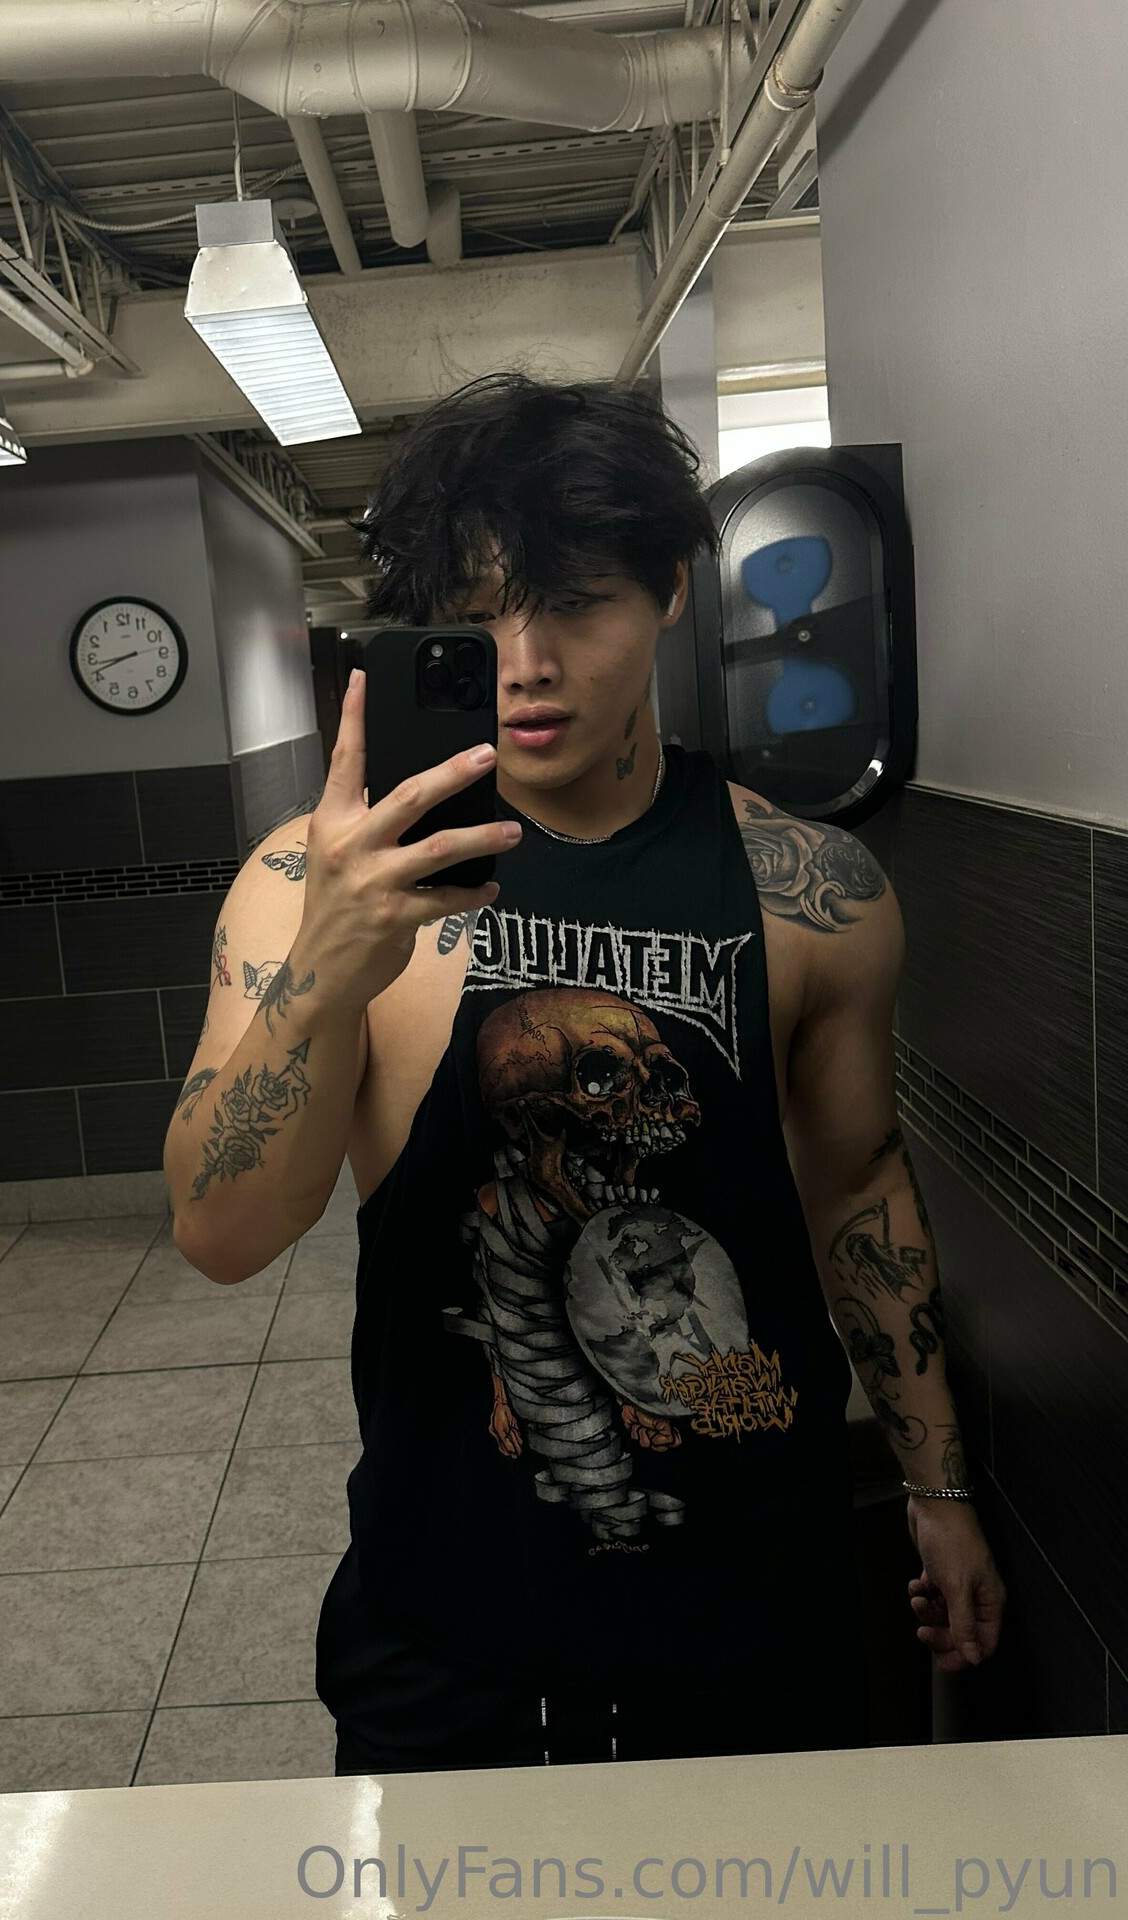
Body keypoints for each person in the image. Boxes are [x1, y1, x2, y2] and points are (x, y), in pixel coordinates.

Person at [164, 371, 1005, 1776]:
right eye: (480, 613)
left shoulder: (813, 894)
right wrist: (325, 975)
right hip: (447, 1627)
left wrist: (940, 1486)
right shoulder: (307, 888)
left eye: (574, 605)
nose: (527, 664)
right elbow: (221, 1235)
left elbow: (857, 1187)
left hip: (753, 1617)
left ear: (671, 591)